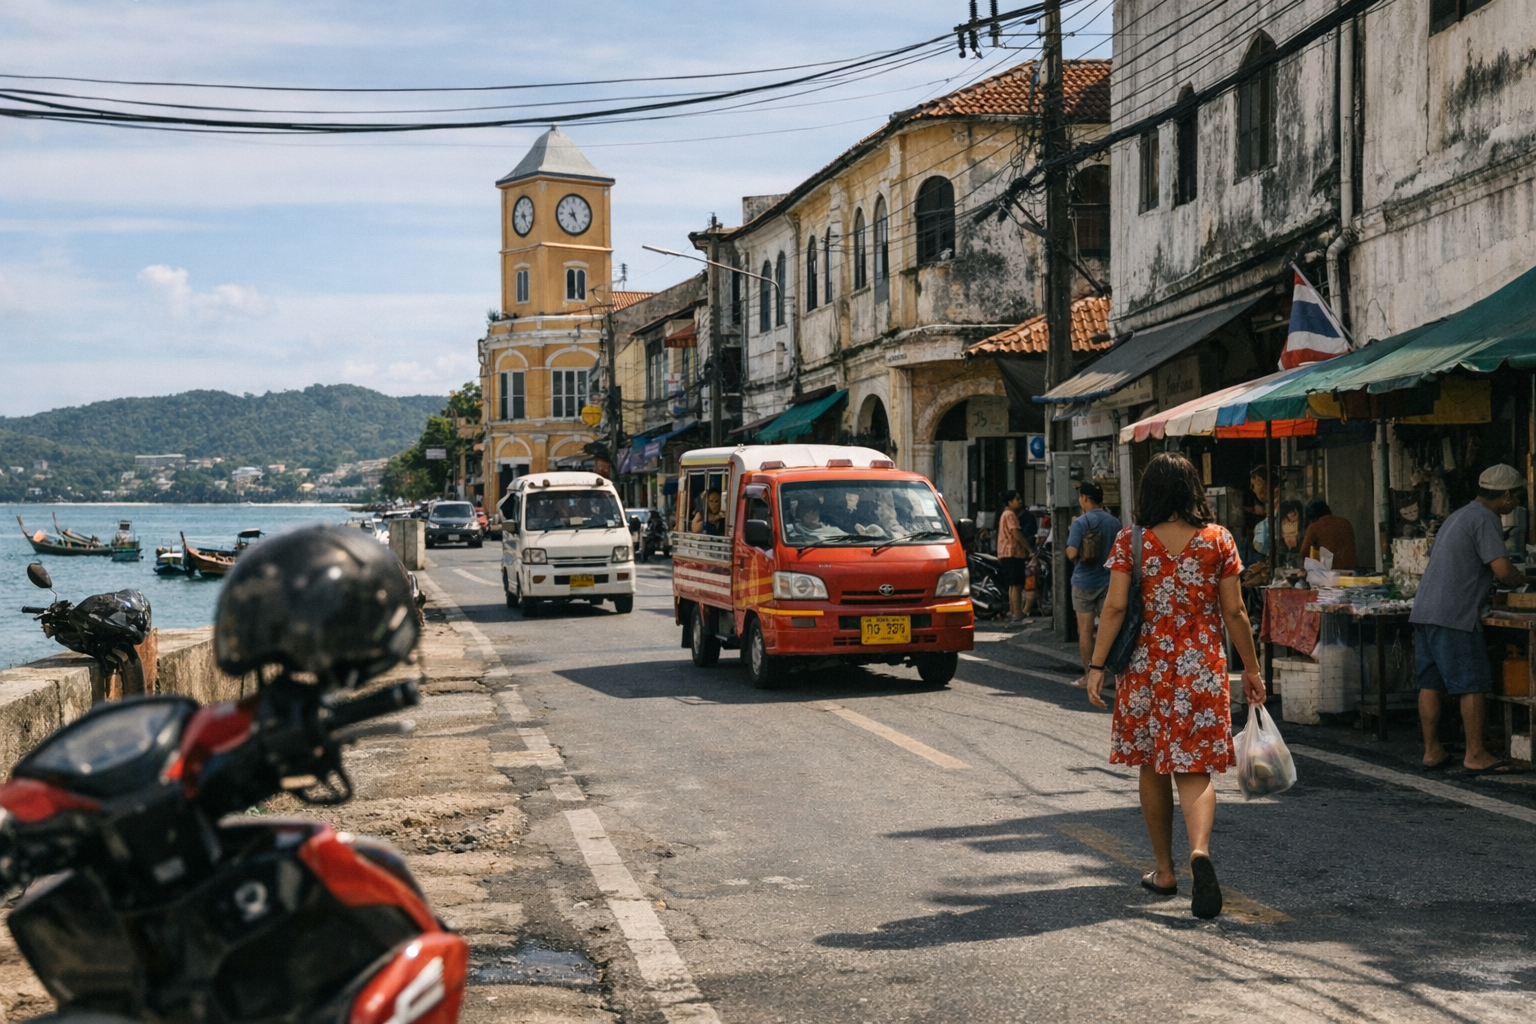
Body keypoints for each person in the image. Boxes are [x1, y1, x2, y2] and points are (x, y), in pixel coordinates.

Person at [1085, 452, 1266, 921]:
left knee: (1151, 763)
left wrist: (1096, 664)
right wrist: (1251, 668)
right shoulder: (1218, 540)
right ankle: (1199, 852)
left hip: (1146, 666)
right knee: (1195, 767)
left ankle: (1164, 870)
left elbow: (1116, 607)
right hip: (1200, 665)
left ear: (1149, 493)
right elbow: (1235, 613)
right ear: (1193, 491)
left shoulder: (1132, 541)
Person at [1412, 464, 1530, 774]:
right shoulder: (1486, 519)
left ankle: (1432, 751)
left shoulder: (1459, 515)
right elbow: (1502, 570)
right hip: (1454, 615)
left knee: (1431, 684)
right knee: (1473, 683)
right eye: (1516, 495)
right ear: (1504, 496)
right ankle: (1475, 754)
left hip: (1425, 611)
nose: (1517, 501)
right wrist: (1521, 581)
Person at [1066, 481, 1121, 687]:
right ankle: (1112, 674)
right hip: (1109, 581)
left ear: (1085, 499)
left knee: (1086, 631)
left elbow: (1071, 553)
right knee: (1111, 628)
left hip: (1083, 582)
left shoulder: (1080, 523)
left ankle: (1089, 675)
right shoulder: (1114, 522)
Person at [996, 490, 1036, 625]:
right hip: (1013, 553)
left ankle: (1014, 612)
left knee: (1013, 585)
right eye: (1016, 499)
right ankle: (1018, 613)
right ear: (1009, 502)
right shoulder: (1010, 515)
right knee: (1017, 584)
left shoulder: (1005, 514)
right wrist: (1029, 549)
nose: (1020, 501)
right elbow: (1016, 533)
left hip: (1006, 554)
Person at [1298, 498, 1357, 570]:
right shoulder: (1345, 522)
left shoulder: (1314, 527)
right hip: (1351, 571)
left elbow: (1304, 551)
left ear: (1312, 516)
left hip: (1330, 572)